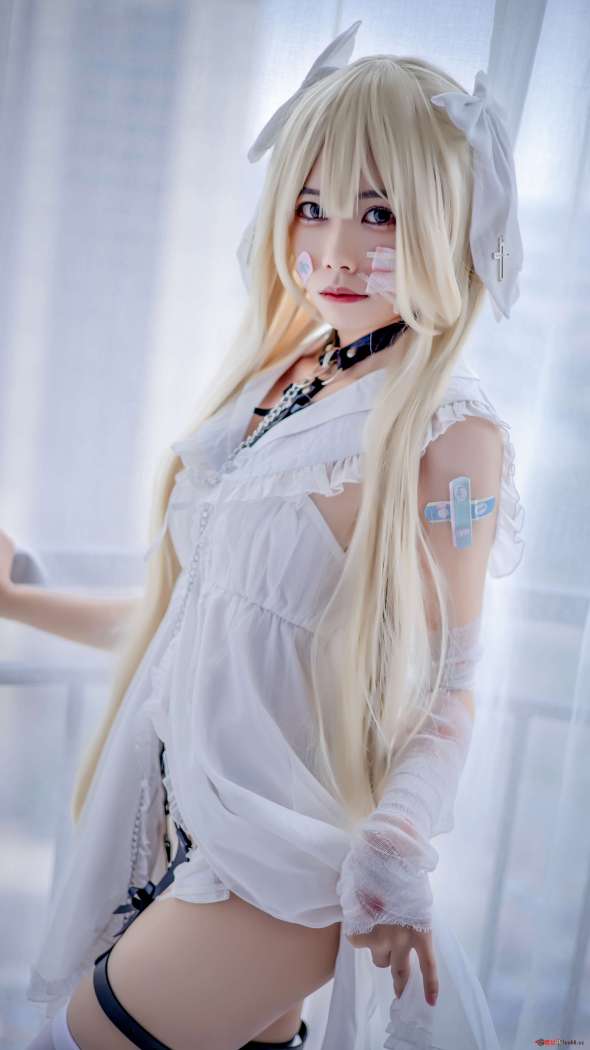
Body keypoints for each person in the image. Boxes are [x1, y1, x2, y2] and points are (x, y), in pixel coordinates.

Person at [16, 20, 526, 1050]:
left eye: (378, 212)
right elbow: (186, 622)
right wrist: (14, 599)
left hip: (278, 869)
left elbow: (450, 686)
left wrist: (396, 848)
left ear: (447, 219)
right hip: (184, 832)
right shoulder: (282, 381)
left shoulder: (446, 431)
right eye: (311, 204)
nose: (332, 248)